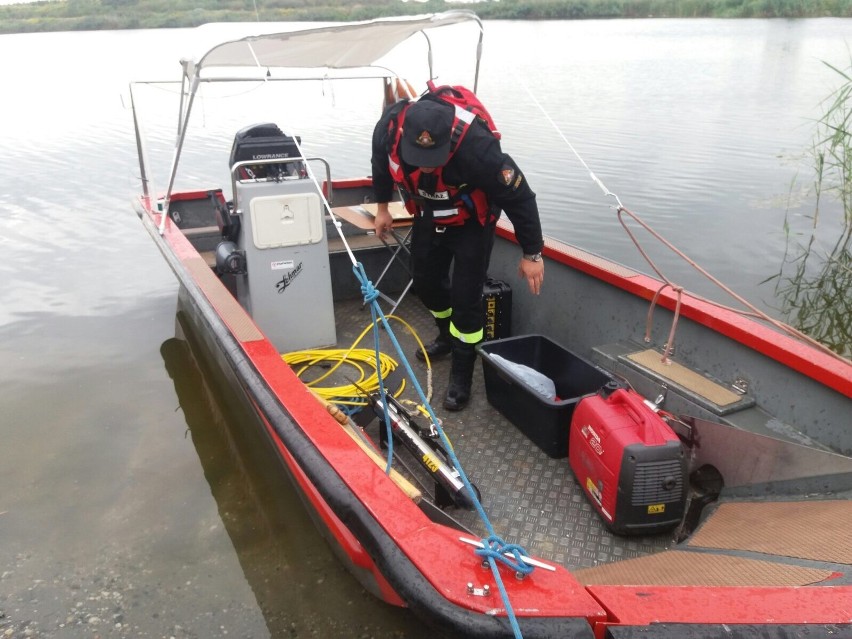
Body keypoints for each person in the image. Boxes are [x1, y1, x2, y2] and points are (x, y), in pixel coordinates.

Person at [371, 93, 545, 411]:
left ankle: (461, 375)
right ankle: (447, 335)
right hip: (427, 216)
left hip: (471, 225)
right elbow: (380, 166)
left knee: (467, 301)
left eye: (433, 156)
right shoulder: (388, 127)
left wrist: (532, 253)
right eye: (418, 155)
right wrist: (382, 209)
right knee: (426, 284)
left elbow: (519, 196)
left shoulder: (477, 146)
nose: (425, 164)